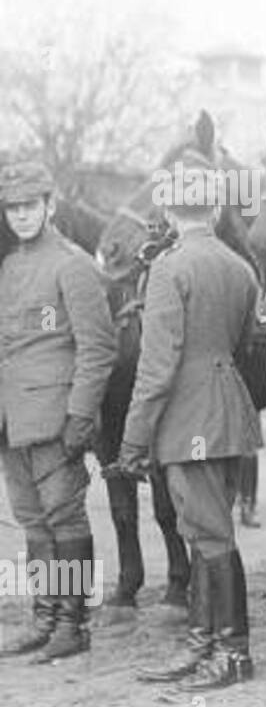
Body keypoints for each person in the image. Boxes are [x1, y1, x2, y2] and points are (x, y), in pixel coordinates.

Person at [121, 150, 264, 690]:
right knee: (207, 528)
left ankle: (231, 652)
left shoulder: (168, 268)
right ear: (215, 209)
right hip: (228, 410)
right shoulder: (240, 267)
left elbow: (156, 369)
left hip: (187, 416)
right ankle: (203, 642)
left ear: (170, 213)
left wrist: (133, 441)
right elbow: (245, 342)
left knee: (209, 534)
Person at [0, 160, 116, 661]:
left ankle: (73, 624)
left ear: (50, 206)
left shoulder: (74, 264)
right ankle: (45, 616)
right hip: (12, 420)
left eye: (30, 206)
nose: (21, 216)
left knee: (65, 519)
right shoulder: (10, 267)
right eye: (13, 208)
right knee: (32, 521)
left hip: (55, 417)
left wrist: (80, 416)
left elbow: (99, 348)